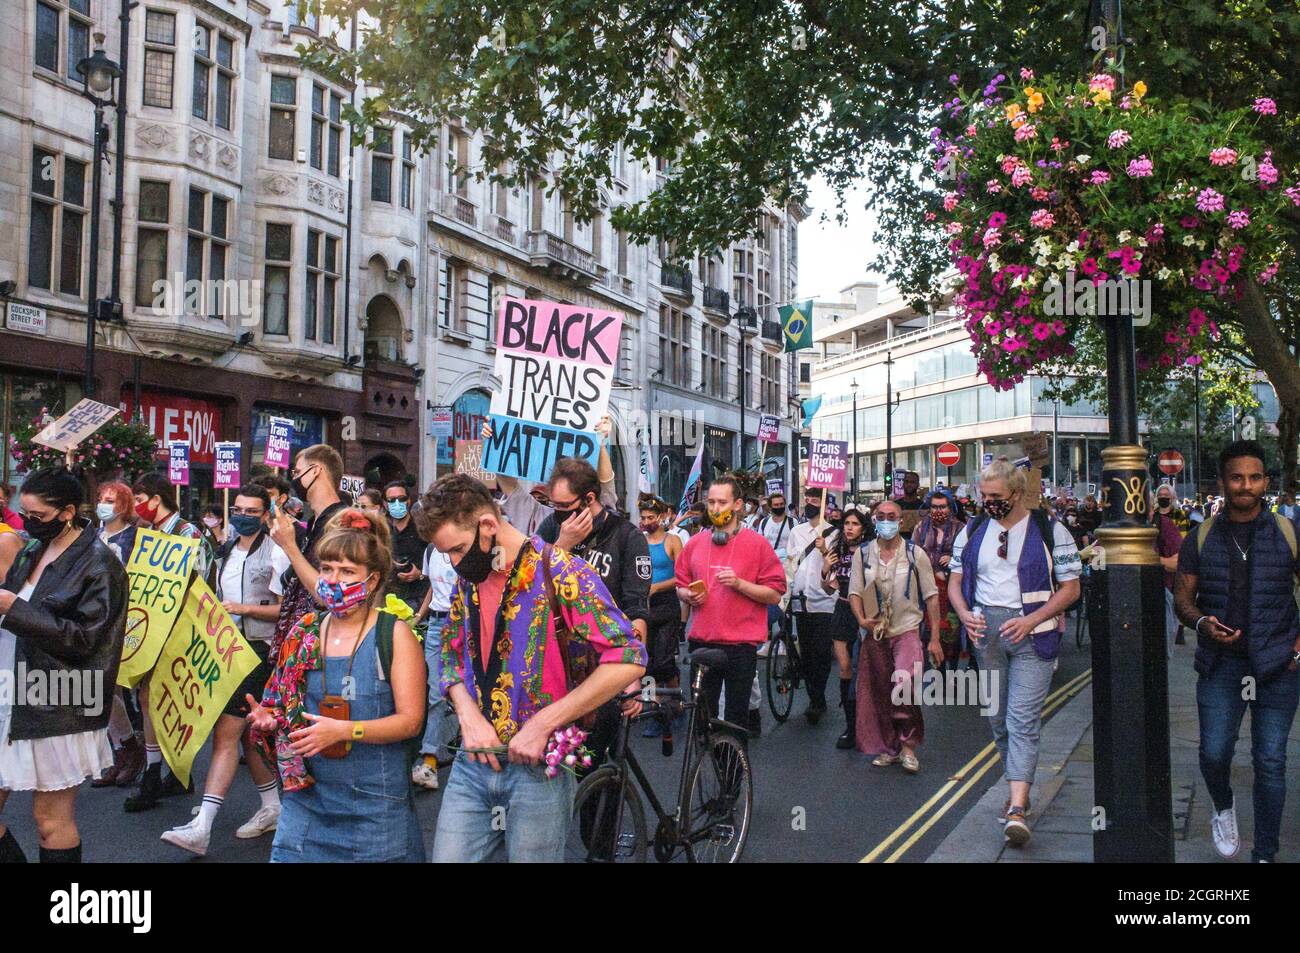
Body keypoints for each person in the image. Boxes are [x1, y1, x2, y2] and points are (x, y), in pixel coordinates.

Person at [417, 474, 645, 862]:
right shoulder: (470, 578)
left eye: (456, 549)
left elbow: (628, 656)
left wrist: (543, 724)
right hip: (471, 765)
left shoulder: (561, 571)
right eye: (446, 555)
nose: (454, 564)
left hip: (540, 771)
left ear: (488, 525)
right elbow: (452, 655)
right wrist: (469, 716)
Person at [246, 508, 426, 862]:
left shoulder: (394, 635)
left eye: (347, 572)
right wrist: (269, 718)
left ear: (372, 580)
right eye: (327, 568)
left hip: (376, 810)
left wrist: (345, 730)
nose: (333, 580)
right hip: (306, 803)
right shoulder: (305, 631)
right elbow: (279, 704)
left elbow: (410, 721)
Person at [1173, 440, 1300, 863]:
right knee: (1214, 752)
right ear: (1223, 482)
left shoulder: (1287, 531)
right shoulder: (1202, 536)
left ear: (1265, 481)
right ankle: (1223, 805)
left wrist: (1298, 646)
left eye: (1254, 477)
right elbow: (1183, 598)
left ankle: (1264, 853)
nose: (1246, 486)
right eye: (1237, 478)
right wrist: (1203, 623)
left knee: (1270, 760)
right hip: (1221, 664)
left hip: (1278, 666)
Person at [948, 460, 1081, 847]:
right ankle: (1016, 786)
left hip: (1033, 636)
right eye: (983, 497)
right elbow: (955, 583)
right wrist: (963, 616)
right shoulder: (972, 530)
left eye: (996, 498)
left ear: (1018, 494)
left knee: (1022, 720)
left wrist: (1031, 619)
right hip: (985, 636)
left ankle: (1018, 808)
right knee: (997, 721)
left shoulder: (1050, 531)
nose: (988, 504)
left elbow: (1070, 589)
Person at [0, 468, 128, 863]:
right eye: (24, 514)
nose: (27, 523)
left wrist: (14, 610)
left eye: (36, 516)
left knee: (49, 819)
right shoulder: (31, 549)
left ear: (67, 511)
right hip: (12, 688)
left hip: (59, 703)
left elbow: (87, 640)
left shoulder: (101, 564)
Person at [157, 485, 284, 856]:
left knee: (227, 734)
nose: (242, 514)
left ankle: (204, 825)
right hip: (225, 649)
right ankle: (272, 805)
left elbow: (284, 609)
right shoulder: (226, 549)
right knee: (245, 737)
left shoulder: (276, 553)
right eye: (238, 508)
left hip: (257, 652)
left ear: (265, 514)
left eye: (251, 510)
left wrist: (244, 610)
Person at [537, 458, 649, 764]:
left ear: (589, 499)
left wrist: (632, 675)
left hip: (604, 665)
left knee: (595, 763)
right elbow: (532, 587)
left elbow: (636, 607)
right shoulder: (551, 528)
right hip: (558, 665)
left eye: (564, 506)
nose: (558, 513)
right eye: (553, 505)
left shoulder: (626, 536)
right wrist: (562, 545)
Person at [124, 470, 215, 812]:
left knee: (171, 699)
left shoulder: (187, 533)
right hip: (154, 628)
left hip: (179, 628)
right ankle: (158, 770)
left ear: (156, 499)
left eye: (139, 499)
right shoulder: (148, 533)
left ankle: (170, 770)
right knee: (148, 696)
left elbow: (200, 581)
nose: (136, 506)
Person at [675, 476, 786, 728]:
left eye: (722, 502)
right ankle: (702, 767)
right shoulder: (694, 544)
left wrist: (740, 585)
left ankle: (734, 767)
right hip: (702, 642)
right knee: (701, 720)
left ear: (738, 505)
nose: (715, 508)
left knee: (736, 721)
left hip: (740, 646)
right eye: (711, 502)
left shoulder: (757, 545)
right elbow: (680, 585)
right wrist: (687, 595)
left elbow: (775, 594)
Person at [849, 499, 943, 772]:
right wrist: (861, 619)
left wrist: (935, 637)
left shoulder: (916, 555)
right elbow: (854, 592)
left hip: (907, 631)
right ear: (875, 520)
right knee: (879, 692)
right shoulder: (863, 554)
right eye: (881, 516)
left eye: (892, 516)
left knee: (904, 686)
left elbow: (932, 597)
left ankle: (907, 746)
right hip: (875, 633)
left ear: (901, 522)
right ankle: (888, 747)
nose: (887, 521)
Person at [266, 443, 349, 659]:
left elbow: (328, 595)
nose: (294, 479)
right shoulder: (314, 522)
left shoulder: (340, 523)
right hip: (300, 641)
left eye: (297, 471)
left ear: (316, 470)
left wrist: (289, 546)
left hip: (321, 645)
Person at [89, 481, 145, 789]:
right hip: (94, 619)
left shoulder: (136, 538)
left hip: (125, 620)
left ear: (123, 504)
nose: (104, 504)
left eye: (110, 500)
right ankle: (121, 750)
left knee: (112, 687)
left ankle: (131, 750)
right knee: (101, 690)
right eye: (101, 499)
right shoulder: (92, 535)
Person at [787, 488, 840, 723]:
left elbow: (836, 564)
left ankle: (818, 697)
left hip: (824, 600)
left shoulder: (835, 533)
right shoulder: (796, 532)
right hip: (801, 599)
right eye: (806, 500)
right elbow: (791, 562)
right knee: (806, 651)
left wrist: (823, 549)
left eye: (814, 500)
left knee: (821, 652)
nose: (809, 503)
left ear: (823, 504)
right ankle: (813, 696)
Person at [410, 540, 460, 791]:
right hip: (435, 626)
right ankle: (429, 760)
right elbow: (432, 588)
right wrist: (418, 617)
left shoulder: (464, 546)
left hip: (461, 624)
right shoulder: (429, 549)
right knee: (435, 693)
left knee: (463, 691)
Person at [821, 508, 871, 749]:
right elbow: (828, 588)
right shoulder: (837, 550)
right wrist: (824, 568)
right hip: (842, 611)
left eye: (855, 523)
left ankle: (867, 723)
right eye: (846, 523)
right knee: (845, 668)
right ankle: (850, 727)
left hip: (865, 610)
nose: (849, 527)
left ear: (864, 527)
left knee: (864, 668)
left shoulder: (870, 550)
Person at [639, 497, 683, 736]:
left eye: (650, 518)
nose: (646, 522)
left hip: (666, 606)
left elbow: (683, 576)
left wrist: (657, 587)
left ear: (662, 516)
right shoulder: (639, 542)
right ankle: (655, 711)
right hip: (644, 608)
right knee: (647, 663)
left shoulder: (672, 541)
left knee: (664, 661)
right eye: (643, 518)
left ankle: (676, 705)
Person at [913, 489, 966, 673]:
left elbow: (969, 556)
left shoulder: (960, 528)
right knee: (930, 630)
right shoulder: (920, 528)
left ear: (949, 507)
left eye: (942, 507)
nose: (938, 511)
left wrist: (953, 559)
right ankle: (938, 671)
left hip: (952, 588)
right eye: (934, 507)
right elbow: (913, 554)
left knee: (952, 631)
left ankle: (952, 669)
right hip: (928, 587)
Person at [383, 481, 429, 612]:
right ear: (385, 504)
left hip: (418, 598)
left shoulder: (422, 528)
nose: (397, 503)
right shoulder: (382, 531)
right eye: (392, 500)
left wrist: (419, 574)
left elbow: (438, 565)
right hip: (388, 597)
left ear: (409, 501)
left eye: (401, 499)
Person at [1153, 484, 1185, 659]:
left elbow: (1180, 559)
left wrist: (1151, 561)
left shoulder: (1167, 523)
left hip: (1163, 589)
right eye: (1160, 494)